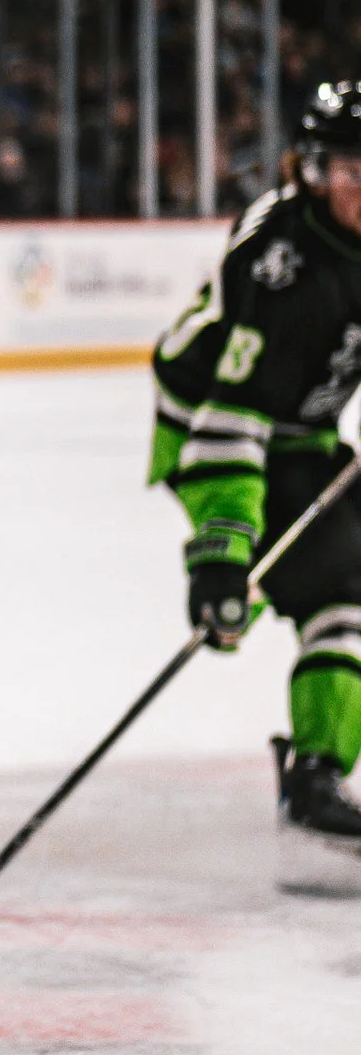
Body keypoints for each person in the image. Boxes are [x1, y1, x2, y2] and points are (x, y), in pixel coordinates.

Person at [151, 78, 361, 881]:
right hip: (212, 427)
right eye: (347, 171)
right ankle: (316, 770)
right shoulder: (285, 269)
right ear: (310, 169)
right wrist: (220, 557)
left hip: (301, 430)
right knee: (341, 588)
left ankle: (320, 752)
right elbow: (227, 420)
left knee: (342, 577)